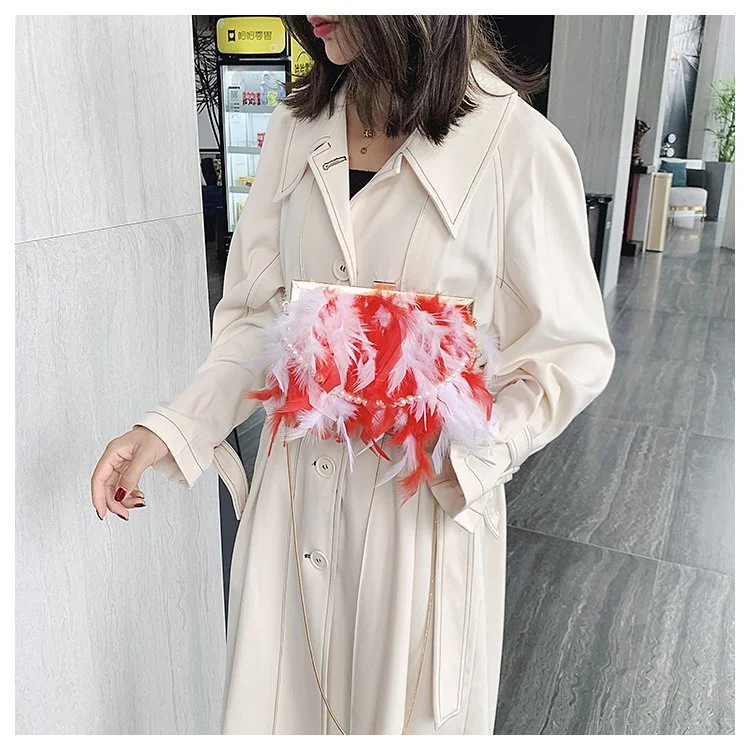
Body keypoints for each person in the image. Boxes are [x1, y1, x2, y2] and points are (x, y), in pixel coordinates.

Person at [91, 15, 615, 735]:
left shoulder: (517, 146)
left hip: (417, 516)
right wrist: (173, 427)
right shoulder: (296, 128)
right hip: (292, 501)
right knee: (278, 707)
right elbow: (257, 317)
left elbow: (568, 351)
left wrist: (474, 454)